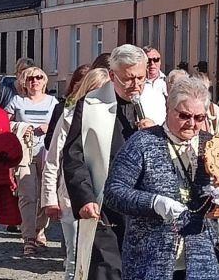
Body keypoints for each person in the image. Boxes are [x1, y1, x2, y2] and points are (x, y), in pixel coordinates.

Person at [104, 77, 219, 279]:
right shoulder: (143, 142)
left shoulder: (212, 145)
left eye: (199, 117)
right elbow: (113, 192)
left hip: (203, 262)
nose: (192, 124)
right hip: (150, 262)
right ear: (169, 108)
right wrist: (154, 203)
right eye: (185, 115)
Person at [63, 44, 157, 280]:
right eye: (128, 79)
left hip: (147, 208)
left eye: (141, 78)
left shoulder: (159, 103)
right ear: (113, 76)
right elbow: (74, 156)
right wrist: (84, 197)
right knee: (108, 271)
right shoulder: (91, 105)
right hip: (105, 208)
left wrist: (157, 136)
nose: (136, 85)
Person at [42, 68, 110, 280]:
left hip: (104, 197)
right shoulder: (69, 116)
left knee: (103, 258)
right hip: (71, 196)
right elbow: (53, 158)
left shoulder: (113, 118)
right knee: (75, 257)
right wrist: (49, 199)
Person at [5, 66, 58, 255]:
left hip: (47, 152)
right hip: (25, 154)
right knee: (27, 195)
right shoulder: (17, 101)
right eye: (30, 79)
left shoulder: (53, 102)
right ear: (24, 83)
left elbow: (61, 123)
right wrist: (20, 126)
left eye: (38, 78)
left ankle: (39, 229)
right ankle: (28, 237)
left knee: (46, 193)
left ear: (44, 81)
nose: (34, 81)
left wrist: (49, 126)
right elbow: (4, 123)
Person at [44, 64, 90, 151]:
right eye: (81, 86)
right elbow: (49, 142)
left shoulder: (98, 109)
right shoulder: (62, 108)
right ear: (74, 86)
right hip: (65, 160)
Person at [193, 72, 219, 141]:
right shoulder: (183, 109)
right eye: (201, 90)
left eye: (207, 90)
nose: (206, 94)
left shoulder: (214, 111)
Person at [140, 46, 167, 124]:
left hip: (163, 130)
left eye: (156, 60)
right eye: (148, 60)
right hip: (143, 130)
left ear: (160, 61)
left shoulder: (167, 82)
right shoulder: (137, 84)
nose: (152, 64)